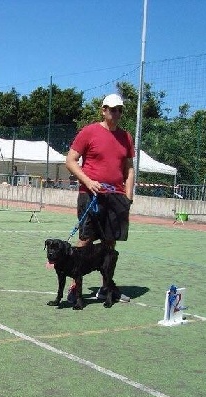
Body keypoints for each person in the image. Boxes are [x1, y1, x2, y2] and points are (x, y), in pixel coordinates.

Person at [65, 93, 133, 304]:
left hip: (116, 198)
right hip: (91, 196)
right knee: (85, 241)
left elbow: (129, 169)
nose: (116, 113)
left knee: (109, 244)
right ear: (103, 110)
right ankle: (75, 288)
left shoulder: (126, 137)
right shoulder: (89, 131)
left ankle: (107, 287)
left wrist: (128, 197)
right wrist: (89, 181)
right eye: (112, 109)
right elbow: (70, 160)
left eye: (119, 109)